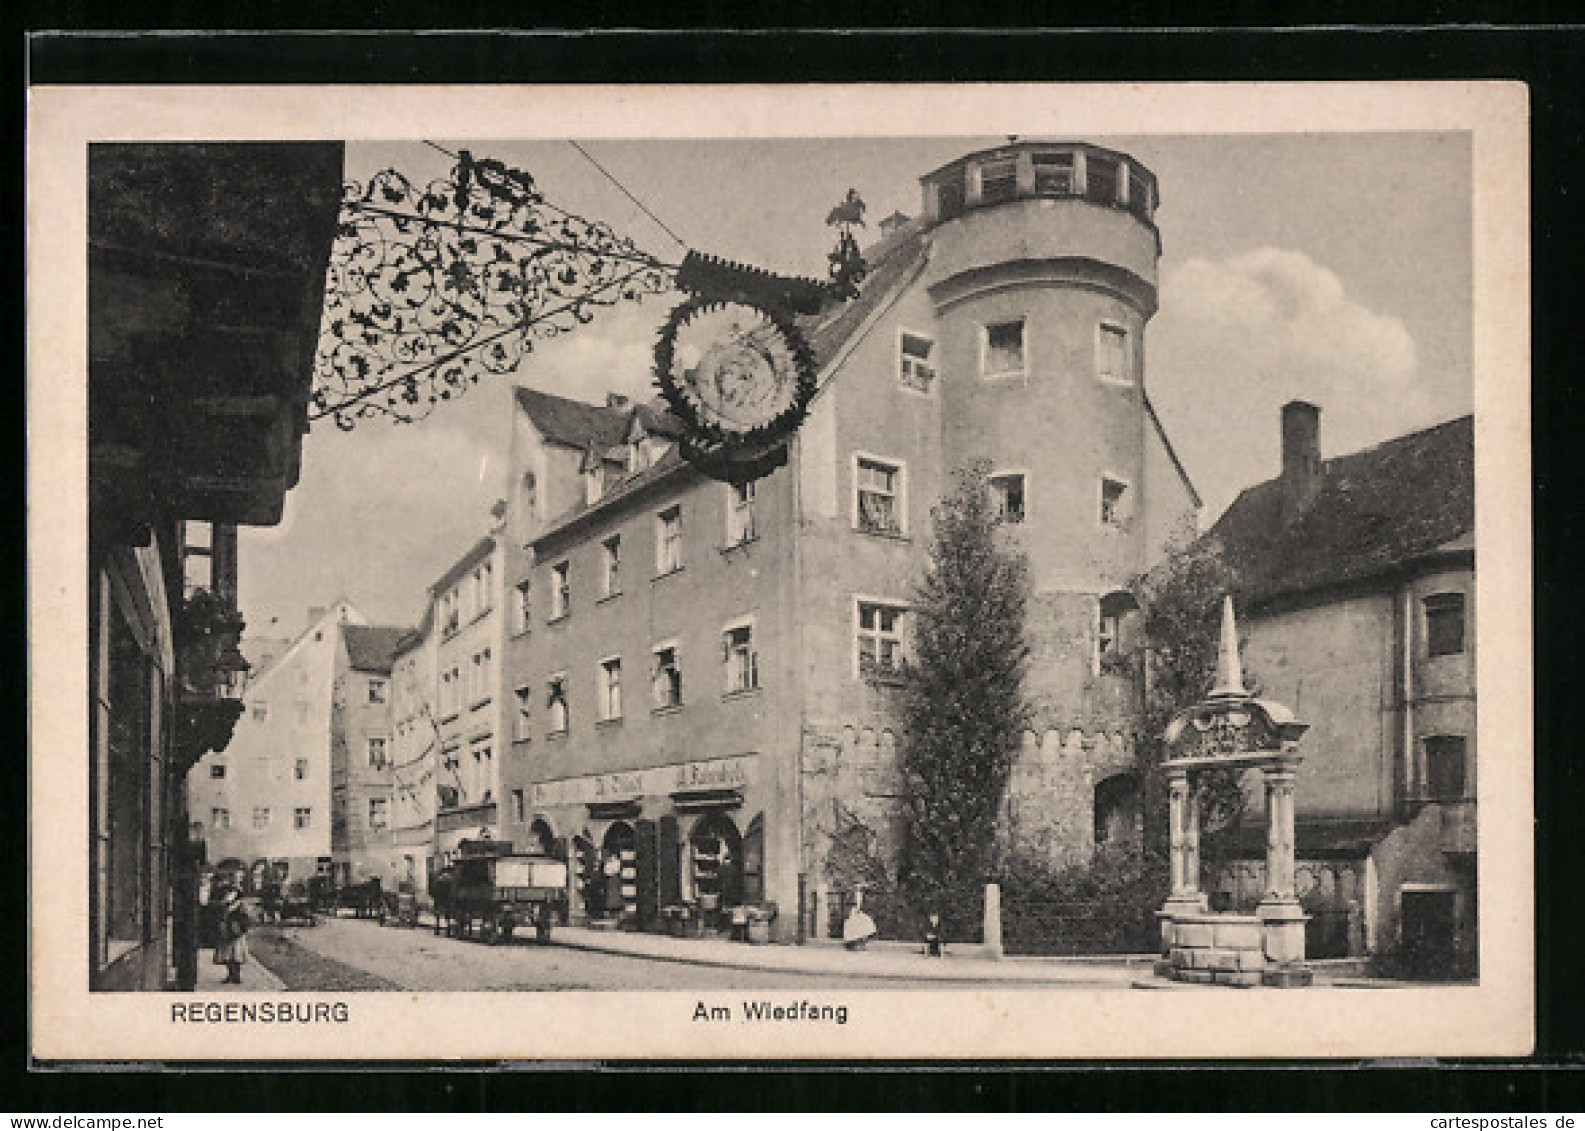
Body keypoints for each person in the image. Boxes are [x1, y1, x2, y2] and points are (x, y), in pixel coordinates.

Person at [212, 884, 253, 985]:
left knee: (236, 955)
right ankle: (230, 974)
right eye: (230, 892)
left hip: (235, 932)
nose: (230, 894)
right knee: (227, 955)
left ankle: (236, 976)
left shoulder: (240, 904)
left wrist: (239, 926)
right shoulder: (225, 904)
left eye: (233, 892)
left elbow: (245, 917)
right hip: (225, 931)